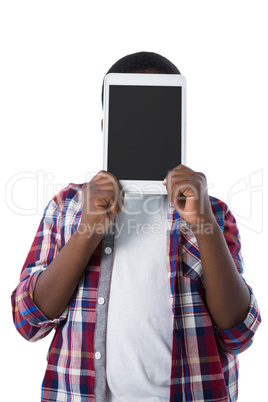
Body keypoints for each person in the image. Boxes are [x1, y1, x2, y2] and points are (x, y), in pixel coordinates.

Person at [11, 51, 261, 402]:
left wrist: (203, 223)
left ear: (180, 128)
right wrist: (86, 234)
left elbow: (239, 334)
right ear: (106, 127)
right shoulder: (68, 207)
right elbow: (28, 321)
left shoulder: (211, 212)